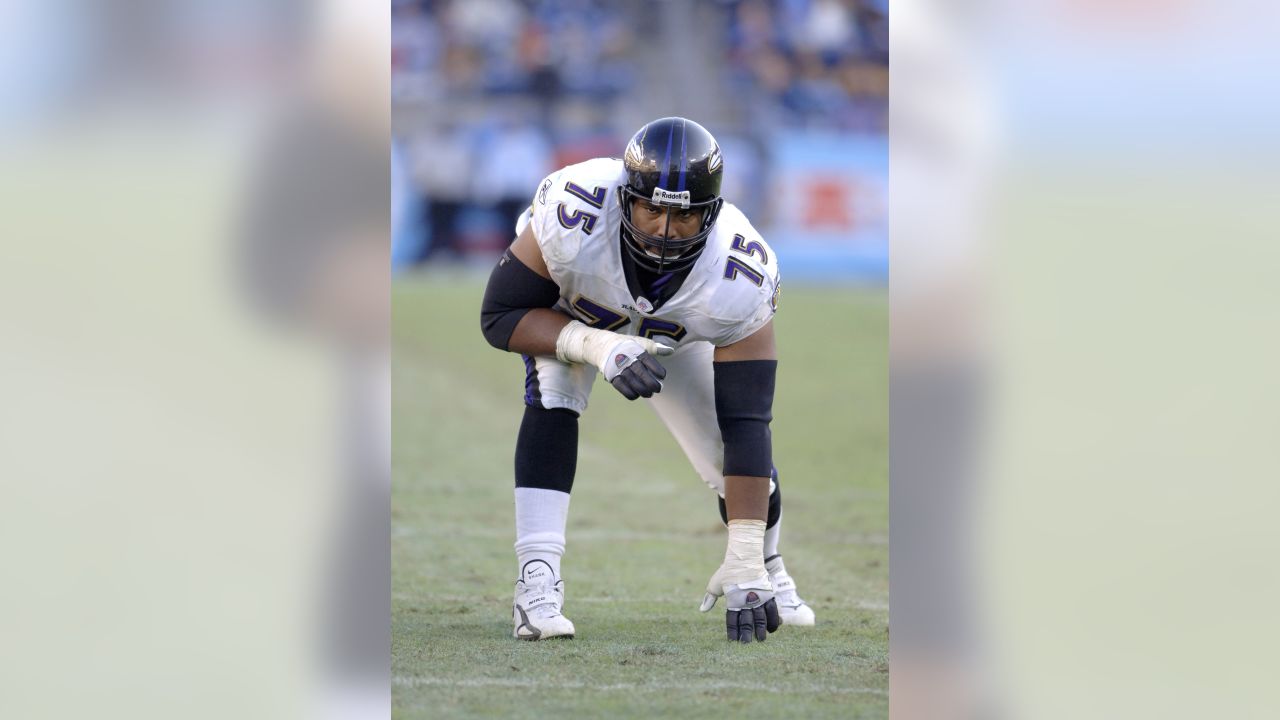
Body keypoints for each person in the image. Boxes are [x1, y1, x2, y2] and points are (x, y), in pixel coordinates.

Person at [480, 117, 814, 643]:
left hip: (676, 336)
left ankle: (763, 566)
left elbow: (749, 419)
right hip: (571, 313)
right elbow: (500, 316)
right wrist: (600, 345)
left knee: (727, 450)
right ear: (625, 196)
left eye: (683, 215)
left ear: (712, 211)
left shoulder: (740, 270)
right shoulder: (578, 207)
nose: (663, 229)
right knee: (555, 389)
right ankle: (536, 585)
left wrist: (743, 550)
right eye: (652, 208)